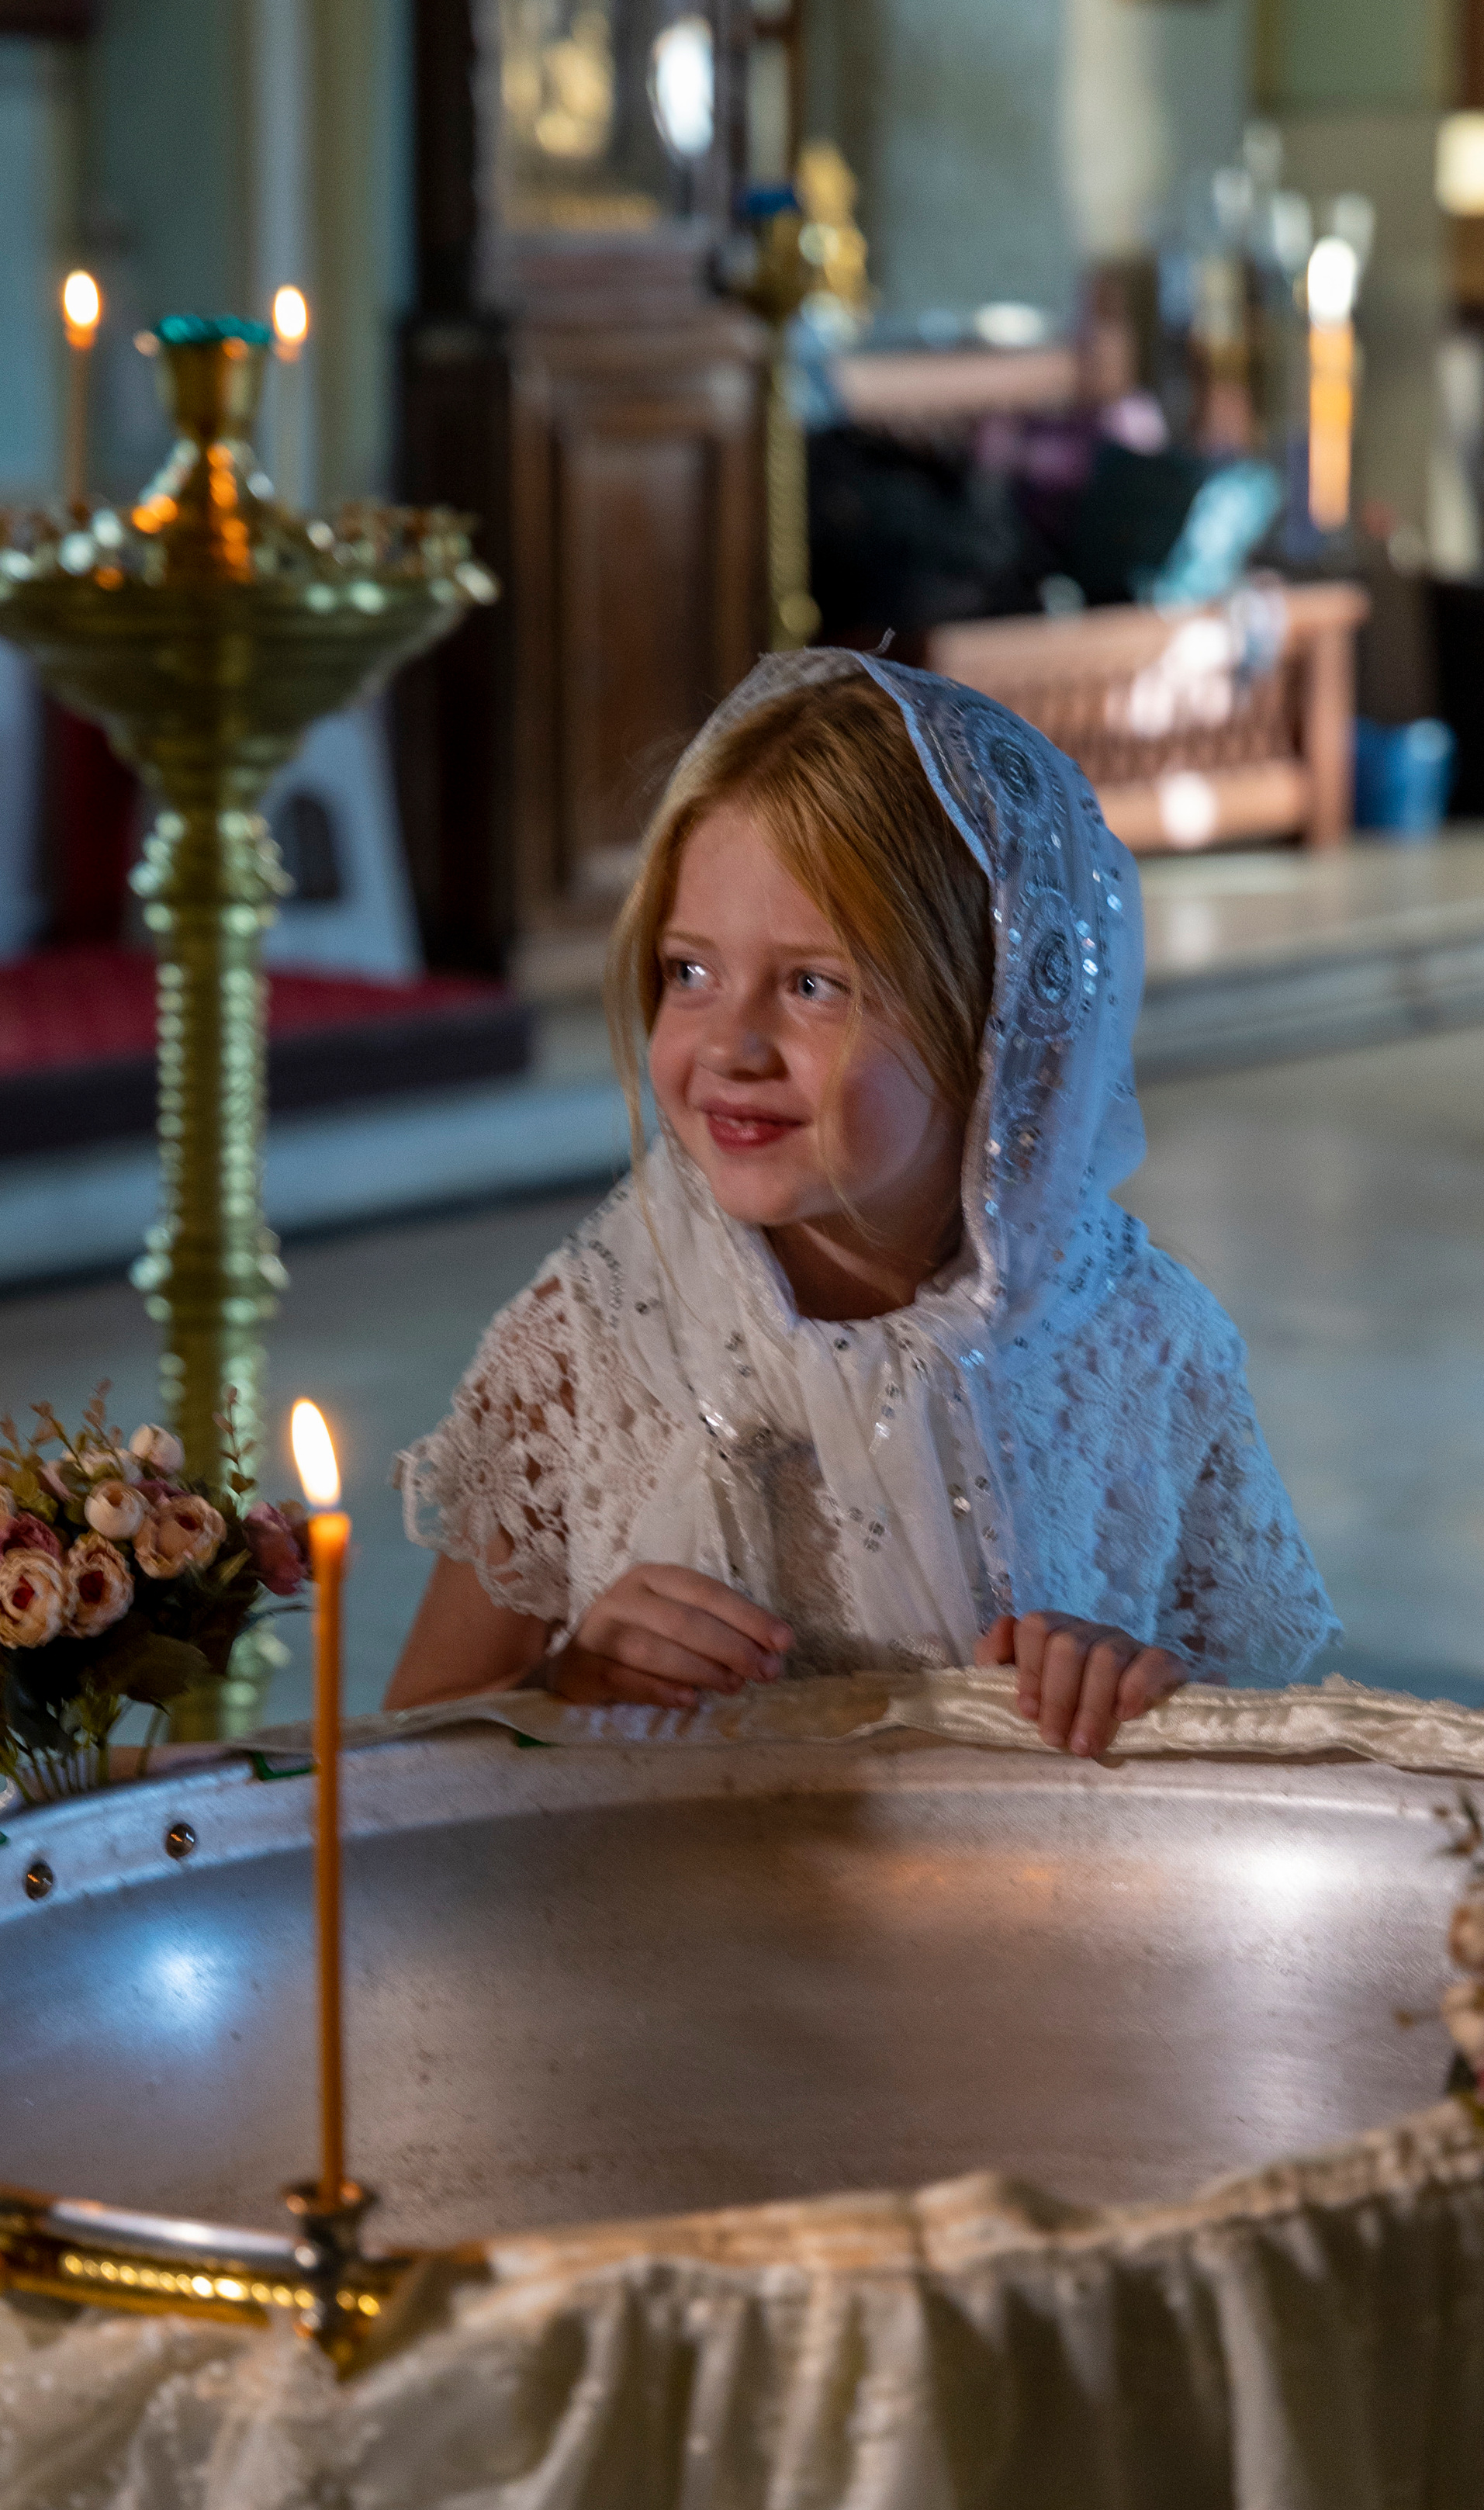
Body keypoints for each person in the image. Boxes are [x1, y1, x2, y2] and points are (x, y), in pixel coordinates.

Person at [386, 651, 1336, 1757]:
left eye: (811, 985)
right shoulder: (592, 1343)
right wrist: (563, 1686)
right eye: (690, 972)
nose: (729, 1046)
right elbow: (407, 1760)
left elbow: (1246, 1771)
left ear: (989, 1027)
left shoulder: (1141, 1349)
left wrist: (1134, 1686)